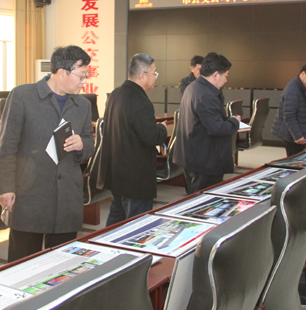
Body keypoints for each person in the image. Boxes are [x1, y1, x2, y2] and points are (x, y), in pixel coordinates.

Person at [0, 45, 95, 262]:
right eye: (81, 75)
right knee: (22, 264)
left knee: (60, 266)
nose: (84, 81)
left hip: (66, 196)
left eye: (86, 76)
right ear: (62, 73)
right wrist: (5, 187)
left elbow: (90, 142)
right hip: (30, 195)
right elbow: (7, 146)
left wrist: (82, 145)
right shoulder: (23, 96)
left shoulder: (82, 105)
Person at [97, 54, 168, 226]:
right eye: (154, 73)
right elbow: (151, 136)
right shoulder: (140, 100)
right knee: (137, 227)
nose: (156, 77)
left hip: (117, 174)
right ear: (142, 75)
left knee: (115, 224)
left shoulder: (115, 94)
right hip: (136, 178)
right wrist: (162, 128)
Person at [172, 52, 241, 195]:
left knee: (193, 196)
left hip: (192, 156)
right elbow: (217, 128)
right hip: (205, 161)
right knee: (203, 200)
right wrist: (234, 122)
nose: (226, 80)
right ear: (216, 75)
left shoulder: (193, 87)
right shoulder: (206, 95)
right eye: (226, 75)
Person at [271, 62, 306, 157]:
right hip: (291, 135)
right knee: (294, 161)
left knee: (297, 159)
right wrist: (297, 136)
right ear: (303, 74)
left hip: (294, 134)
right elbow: (289, 116)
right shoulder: (293, 90)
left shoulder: (301, 87)